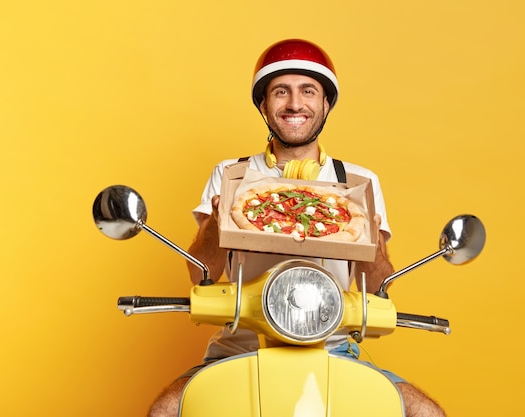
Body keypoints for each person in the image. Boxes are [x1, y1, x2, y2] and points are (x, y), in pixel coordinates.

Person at [148, 39, 446, 417]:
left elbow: (377, 289)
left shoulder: (357, 184)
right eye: (280, 92)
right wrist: (217, 222)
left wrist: (373, 241)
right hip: (240, 345)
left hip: (334, 346)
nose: (294, 104)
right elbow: (199, 273)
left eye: (308, 91)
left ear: (325, 104)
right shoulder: (232, 176)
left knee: (427, 413)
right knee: (164, 411)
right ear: (263, 105)